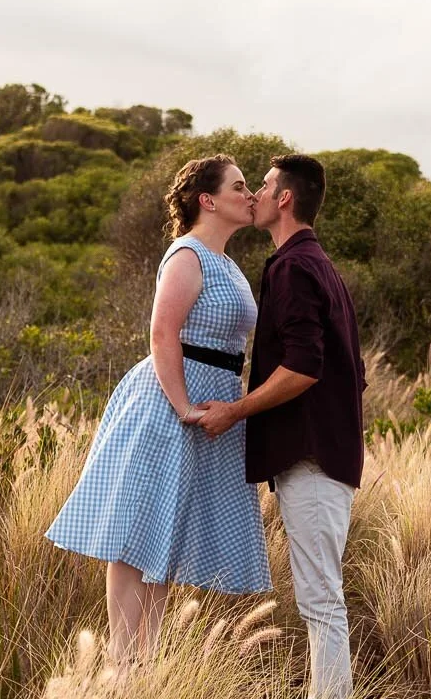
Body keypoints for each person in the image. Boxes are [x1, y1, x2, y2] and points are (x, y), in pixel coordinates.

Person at [46, 155, 271, 662]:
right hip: (170, 401)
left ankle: (142, 665)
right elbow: (162, 332)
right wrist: (184, 407)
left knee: (166, 533)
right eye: (239, 186)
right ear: (207, 200)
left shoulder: (228, 263)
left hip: (215, 397)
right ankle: (126, 664)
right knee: (138, 531)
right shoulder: (187, 254)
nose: (249, 194)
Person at [197, 154, 365, 699]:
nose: (257, 195)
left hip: (313, 457)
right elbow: (349, 372)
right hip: (326, 453)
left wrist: (236, 411)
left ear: (285, 198)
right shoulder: (318, 264)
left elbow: (305, 368)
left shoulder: (292, 268)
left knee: (320, 600)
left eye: (264, 186)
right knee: (321, 596)